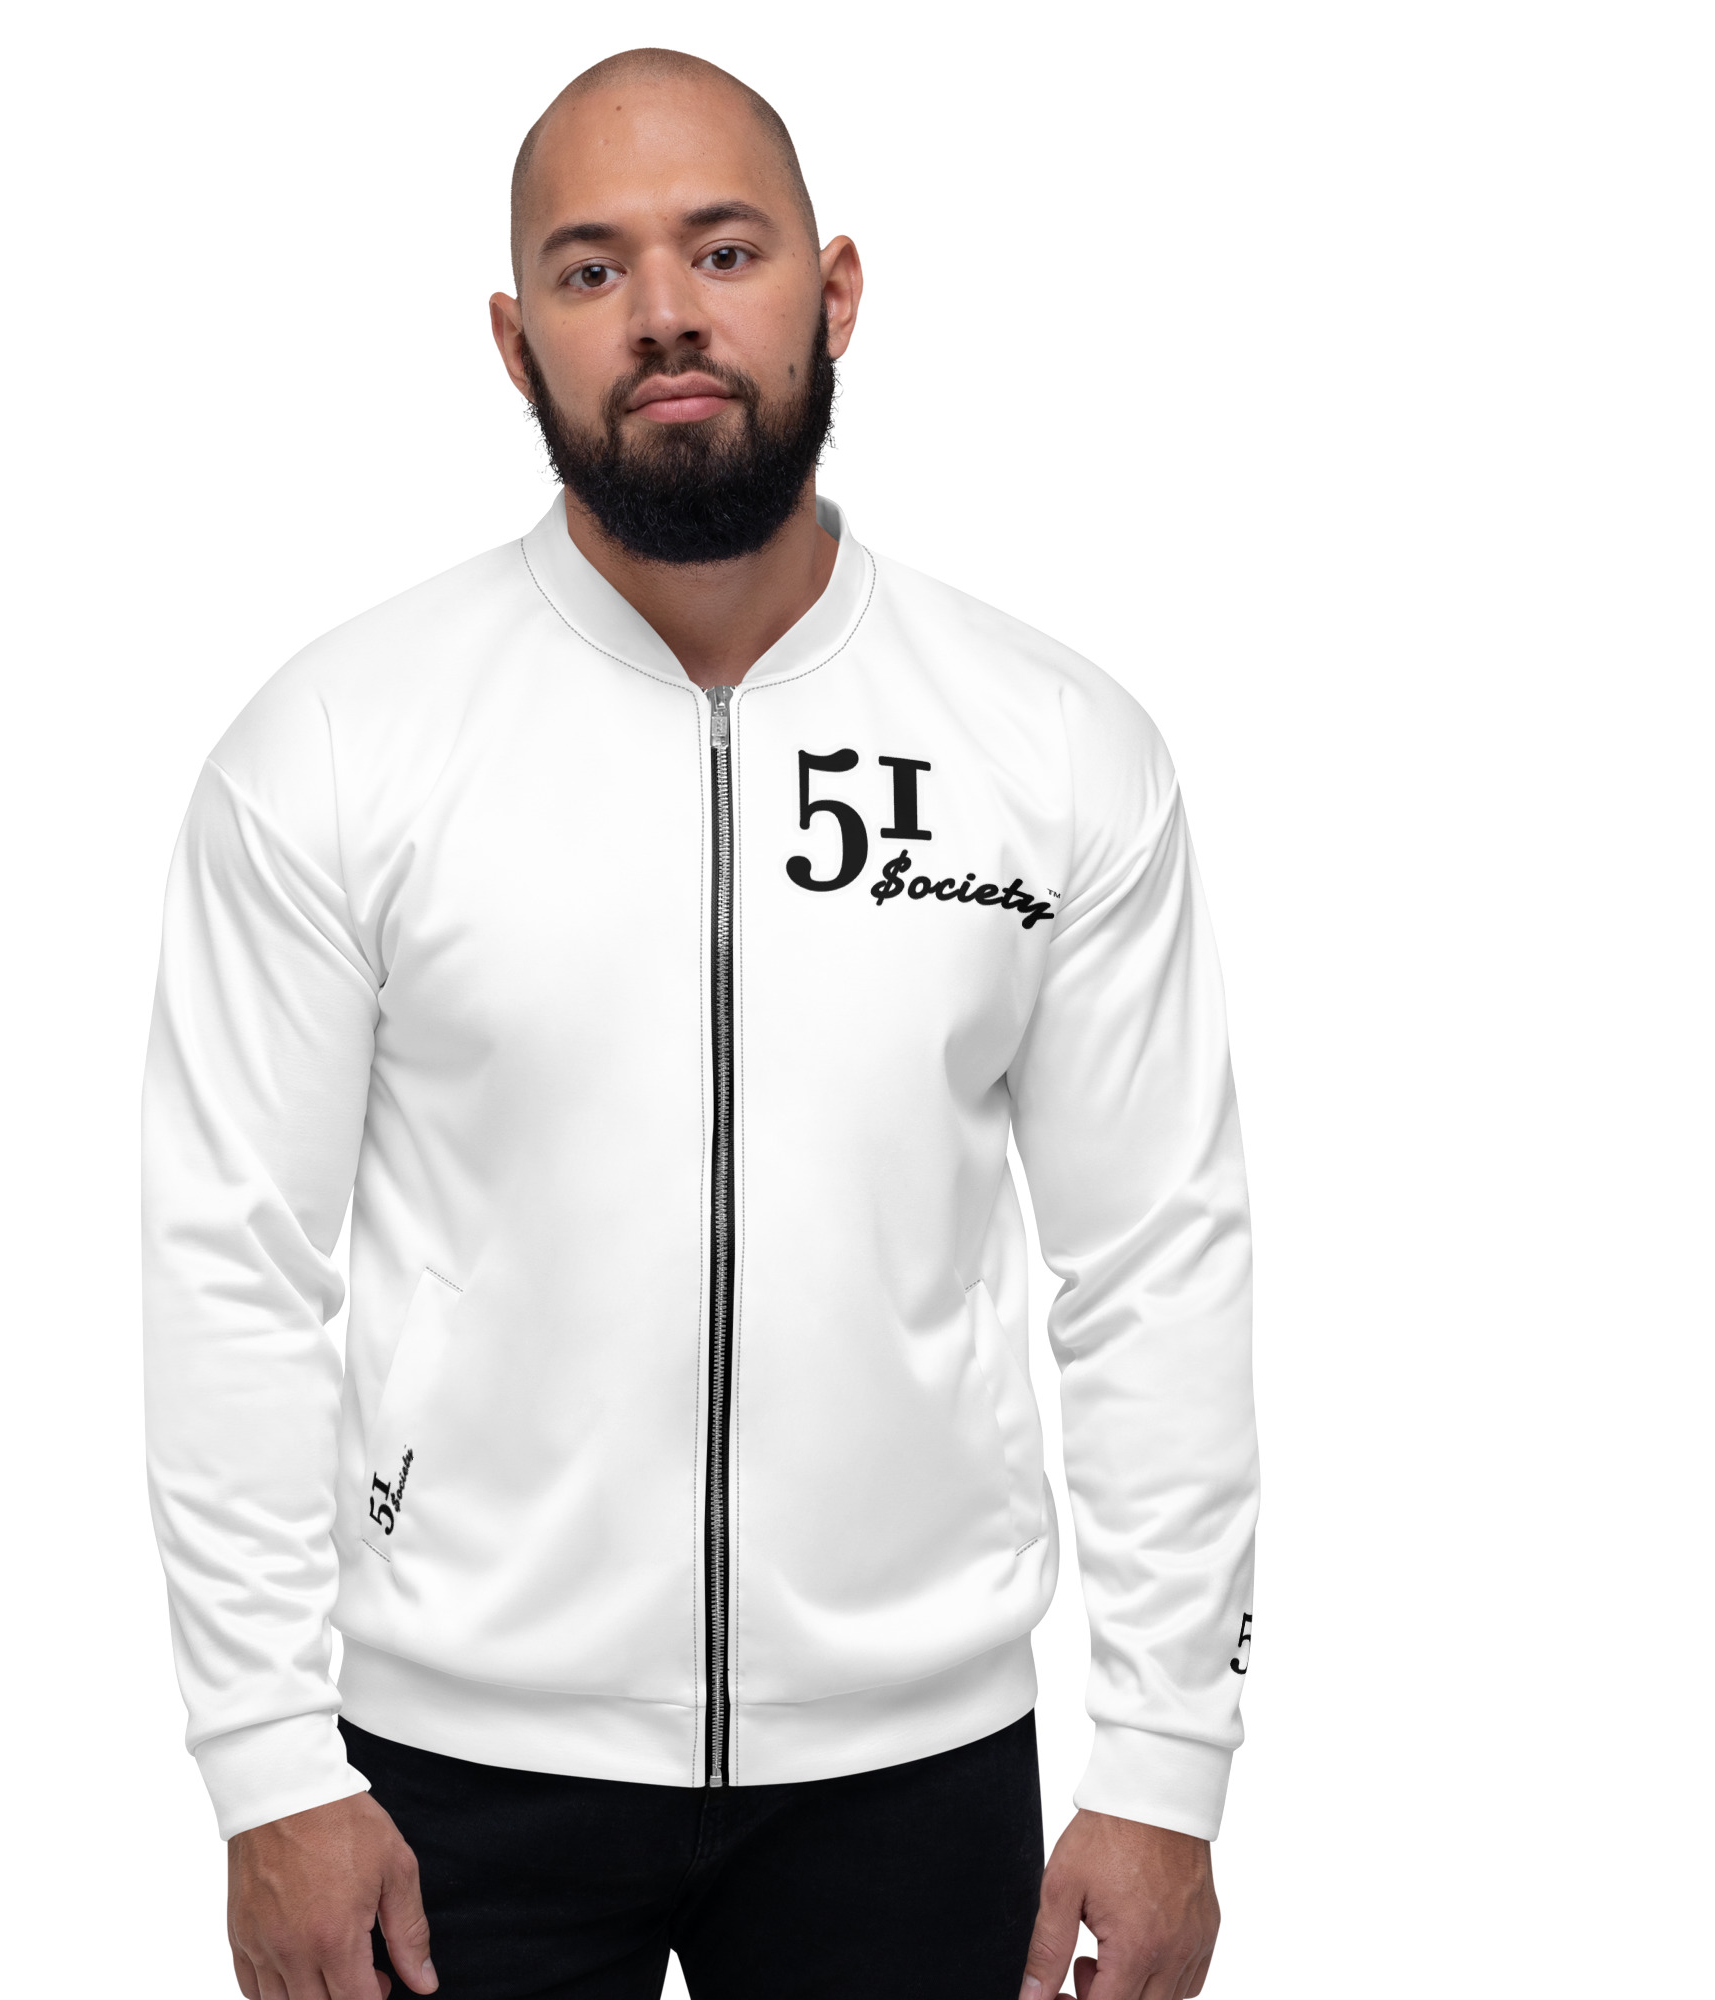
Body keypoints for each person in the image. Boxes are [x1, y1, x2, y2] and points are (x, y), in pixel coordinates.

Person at [142, 46, 1256, 2000]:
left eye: (723, 251)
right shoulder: (336, 748)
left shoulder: (1052, 750)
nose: (664, 312)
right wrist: (264, 1761)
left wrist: (1166, 1759)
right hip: (444, 1768)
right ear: (516, 342)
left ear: (835, 292)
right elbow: (230, 1261)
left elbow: (1153, 1258)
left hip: (912, 1765)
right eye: (591, 270)